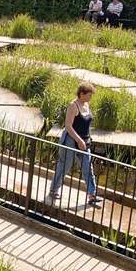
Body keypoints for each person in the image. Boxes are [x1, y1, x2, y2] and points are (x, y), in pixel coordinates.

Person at [45, 82, 102, 210]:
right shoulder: (73, 106)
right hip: (71, 139)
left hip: (84, 139)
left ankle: (92, 194)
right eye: (89, 95)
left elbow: (86, 123)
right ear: (81, 94)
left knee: (88, 166)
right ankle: (54, 190)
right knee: (65, 165)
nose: (90, 97)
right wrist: (79, 140)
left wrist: (86, 139)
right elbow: (68, 126)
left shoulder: (87, 104)